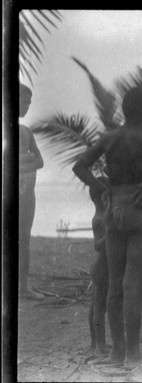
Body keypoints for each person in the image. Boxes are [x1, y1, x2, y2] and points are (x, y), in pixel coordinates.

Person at [73, 87, 142, 369]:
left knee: (115, 284)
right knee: (133, 284)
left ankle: (117, 352)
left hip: (113, 208)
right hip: (138, 208)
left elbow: (79, 166)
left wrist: (101, 187)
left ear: (125, 109)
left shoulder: (109, 138)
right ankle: (132, 354)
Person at [19, 83, 45, 300]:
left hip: (26, 192)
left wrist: (23, 165)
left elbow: (40, 161)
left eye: (29, 103)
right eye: (24, 101)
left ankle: (23, 285)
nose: (27, 106)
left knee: (24, 239)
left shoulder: (26, 132)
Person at [88, 176, 111, 355]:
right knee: (99, 307)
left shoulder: (104, 215)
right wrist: (111, 234)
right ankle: (99, 343)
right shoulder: (99, 219)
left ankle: (96, 342)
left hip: (104, 267)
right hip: (101, 267)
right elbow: (97, 244)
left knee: (96, 306)